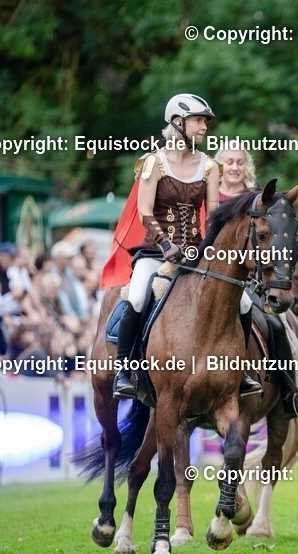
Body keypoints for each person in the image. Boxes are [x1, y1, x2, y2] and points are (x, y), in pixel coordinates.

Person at [109, 94, 261, 399]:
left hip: (196, 253)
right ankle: (124, 372)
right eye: (198, 120)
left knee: (243, 303)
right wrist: (166, 245)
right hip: (155, 251)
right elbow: (144, 210)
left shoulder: (209, 166)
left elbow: (214, 216)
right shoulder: (154, 162)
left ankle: (242, 371)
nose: (204, 126)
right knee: (138, 296)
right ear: (178, 123)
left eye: (204, 121)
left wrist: (212, 250)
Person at [215, 146, 298, 418]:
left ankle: (290, 392)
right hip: (213, 275)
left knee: (274, 323)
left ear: (246, 166)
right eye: (228, 162)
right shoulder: (207, 192)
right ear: (218, 166)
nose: (234, 166)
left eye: (239, 162)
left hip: (253, 279)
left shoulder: (262, 200)